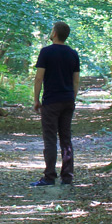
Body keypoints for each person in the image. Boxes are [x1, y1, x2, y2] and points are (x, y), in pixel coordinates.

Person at [31, 21, 81, 187]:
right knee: (66, 139)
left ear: (54, 33)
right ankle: (67, 177)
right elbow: (76, 81)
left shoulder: (46, 52)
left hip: (51, 102)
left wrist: (36, 99)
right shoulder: (73, 54)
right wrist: (72, 98)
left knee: (50, 139)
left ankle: (49, 177)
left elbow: (39, 78)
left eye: (52, 30)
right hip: (68, 101)